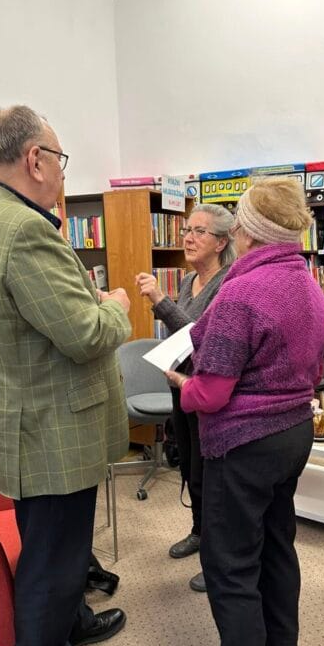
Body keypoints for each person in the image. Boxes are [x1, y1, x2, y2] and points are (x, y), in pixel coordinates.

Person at [0, 105, 132, 646]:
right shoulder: (25, 230)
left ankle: (69, 620)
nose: (61, 171)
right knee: (53, 554)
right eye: (59, 159)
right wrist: (116, 305)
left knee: (55, 542)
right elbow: (85, 334)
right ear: (35, 159)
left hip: (20, 419)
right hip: (50, 429)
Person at [166, 177, 324, 646]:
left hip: (244, 442)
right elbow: (319, 351)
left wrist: (181, 385)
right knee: (277, 543)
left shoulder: (240, 293)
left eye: (237, 221)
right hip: (294, 432)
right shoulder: (306, 282)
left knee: (230, 562)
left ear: (247, 232)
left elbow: (211, 395)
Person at [135, 204, 236, 592]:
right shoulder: (189, 280)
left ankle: (216, 556)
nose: (188, 238)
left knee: (211, 478)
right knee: (191, 470)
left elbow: (200, 336)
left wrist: (160, 301)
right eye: (186, 231)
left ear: (221, 242)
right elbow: (182, 337)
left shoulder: (228, 283)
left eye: (199, 232)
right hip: (180, 386)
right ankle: (198, 532)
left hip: (208, 393)